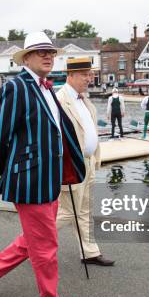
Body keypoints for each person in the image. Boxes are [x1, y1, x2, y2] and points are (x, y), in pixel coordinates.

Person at [0, 32, 87, 297]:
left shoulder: (47, 88)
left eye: (51, 52)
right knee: (46, 246)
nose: (47, 56)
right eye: (40, 52)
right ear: (26, 57)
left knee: (38, 239)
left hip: (51, 177)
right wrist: (5, 172)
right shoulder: (17, 87)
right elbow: (0, 133)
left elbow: (56, 131)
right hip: (30, 179)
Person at [56, 58, 115, 267]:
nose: (89, 79)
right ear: (70, 76)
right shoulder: (60, 100)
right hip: (72, 166)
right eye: (84, 75)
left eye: (89, 74)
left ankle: (89, 252)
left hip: (88, 163)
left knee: (84, 210)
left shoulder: (84, 99)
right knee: (68, 211)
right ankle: (28, 245)